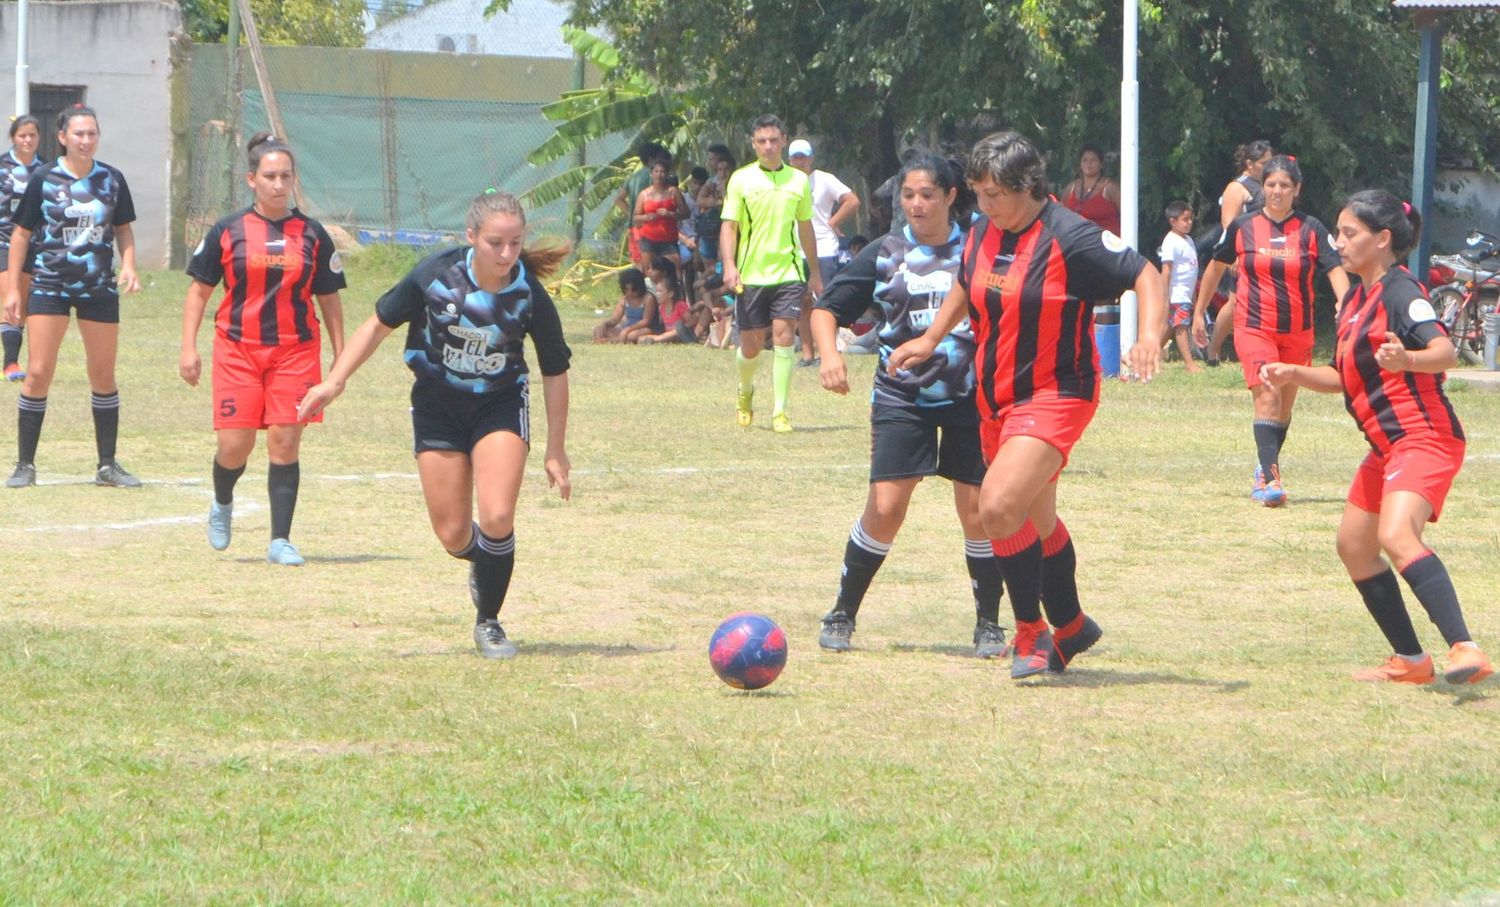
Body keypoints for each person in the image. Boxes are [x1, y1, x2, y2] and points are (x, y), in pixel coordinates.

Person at [888, 131, 1165, 679]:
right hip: (997, 398)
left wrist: (1151, 335)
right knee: (1034, 522)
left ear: (1029, 187)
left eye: (993, 195)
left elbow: (1146, 274)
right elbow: (967, 282)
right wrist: (931, 338)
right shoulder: (984, 231)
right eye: (979, 194)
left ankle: (1030, 630)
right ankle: (1072, 626)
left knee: (995, 507)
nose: (983, 205)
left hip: (1057, 394)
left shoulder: (1072, 236)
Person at [297, 190, 571, 659]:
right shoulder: (435, 275)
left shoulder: (528, 293)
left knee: (499, 515)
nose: (506, 255)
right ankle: (481, 561)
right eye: (494, 243)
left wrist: (556, 448)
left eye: (514, 243)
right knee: (453, 534)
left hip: (499, 405)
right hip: (437, 405)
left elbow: (555, 370)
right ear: (471, 238)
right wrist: (333, 382)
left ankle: (489, 621)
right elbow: (376, 325)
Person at [1260, 190, 1491, 686]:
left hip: (1424, 436)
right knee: (1354, 546)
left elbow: (1445, 352)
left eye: (1350, 234)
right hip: (1387, 445)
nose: (1338, 242)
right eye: (1338, 233)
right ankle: (1410, 661)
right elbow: (1345, 376)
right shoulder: (1356, 300)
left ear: (1383, 239)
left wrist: (1407, 359)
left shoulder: (1401, 292)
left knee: (1396, 536)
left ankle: (1464, 647)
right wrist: (1293, 373)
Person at [810, 153, 1008, 657]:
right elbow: (826, 309)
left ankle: (989, 624)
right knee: (886, 508)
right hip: (903, 395)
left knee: (978, 511)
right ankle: (842, 612)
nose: (916, 205)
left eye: (927, 195)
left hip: (970, 397)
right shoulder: (885, 252)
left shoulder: (980, 249)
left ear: (950, 197)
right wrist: (830, 354)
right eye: (908, 195)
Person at [179, 132, 347, 565]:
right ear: (251, 179)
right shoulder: (228, 230)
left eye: (285, 176)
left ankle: (280, 540)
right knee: (234, 447)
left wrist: (339, 362)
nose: (278, 184)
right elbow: (199, 292)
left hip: (295, 351)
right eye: (269, 176)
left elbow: (329, 299)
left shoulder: (312, 234)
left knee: (285, 441)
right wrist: (188, 348)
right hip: (238, 349)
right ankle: (221, 502)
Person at [1191, 155, 1349, 507]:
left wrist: (1348, 306)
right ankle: (1271, 478)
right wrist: (1199, 311)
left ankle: (1263, 467)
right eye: (1271, 185)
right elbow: (1216, 268)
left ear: (1297, 190)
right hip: (1254, 326)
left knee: (1282, 409)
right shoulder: (1243, 227)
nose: (1277, 191)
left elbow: (1335, 270)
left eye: (1284, 186)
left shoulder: (1312, 229)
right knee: (1268, 395)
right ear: (1262, 188)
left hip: (1298, 331)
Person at [4, 105, 141, 489]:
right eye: (78, 134)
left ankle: (107, 465)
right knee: (38, 372)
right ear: (62, 137)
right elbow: (21, 236)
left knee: (102, 374)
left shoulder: (111, 179)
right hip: (50, 286)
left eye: (92, 133)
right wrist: (14, 287)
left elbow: (124, 230)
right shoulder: (44, 178)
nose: (85, 140)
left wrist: (128, 265)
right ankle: (25, 465)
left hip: (98, 288)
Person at [720, 114, 823, 433]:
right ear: (753, 144)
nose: (768, 146)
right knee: (750, 345)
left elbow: (806, 228)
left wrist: (814, 271)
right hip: (751, 275)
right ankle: (745, 391)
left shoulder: (797, 181)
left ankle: (780, 411)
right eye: (761, 141)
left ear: (784, 140)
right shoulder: (740, 179)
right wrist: (729, 265)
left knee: (783, 336)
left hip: (788, 274)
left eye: (773, 140)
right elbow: (730, 226)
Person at [789, 139, 860, 367]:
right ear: (789, 160)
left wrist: (832, 222)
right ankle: (808, 355)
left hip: (824, 248)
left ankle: (828, 352)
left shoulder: (823, 179)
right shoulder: (785, 182)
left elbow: (851, 200)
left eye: (803, 157)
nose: (799, 161)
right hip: (796, 250)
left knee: (825, 301)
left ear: (811, 158)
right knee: (802, 303)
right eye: (795, 157)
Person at [1203, 140, 1274, 366]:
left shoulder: (1270, 184)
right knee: (1235, 303)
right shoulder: (1238, 187)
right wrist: (1233, 254)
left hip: (1268, 251)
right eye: (1265, 163)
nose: (1270, 166)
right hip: (1243, 252)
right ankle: (1213, 350)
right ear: (1250, 164)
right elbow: (1228, 225)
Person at [1, 115, 43, 383]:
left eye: (31, 135)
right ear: (13, 138)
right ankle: (11, 363)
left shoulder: (45, 170)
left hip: (34, 244)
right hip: (4, 240)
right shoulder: (3, 167)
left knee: (23, 303)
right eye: (22, 135)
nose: (27, 140)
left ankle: (17, 358)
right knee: (10, 296)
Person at [1157, 200, 1202, 372]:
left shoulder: (1188, 240)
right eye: (1185, 219)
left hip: (1186, 292)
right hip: (1176, 293)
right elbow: (1166, 270)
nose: (1189, 223)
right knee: (1181, 326)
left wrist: (1194, 295)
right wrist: (1164, 294)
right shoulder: (1171, 242)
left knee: (1170, 327)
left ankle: (1150, 355)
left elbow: (1192, 269)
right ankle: (1189, 363)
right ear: (1172, 221)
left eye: (1191, 219)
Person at [615, 142, 668, 266]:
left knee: (639, 263)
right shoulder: (654, 178)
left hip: (634, 227)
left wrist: (632, 215)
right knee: (654, 265)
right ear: (651, 159)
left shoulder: (633, 177)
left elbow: (618, 199)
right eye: (658, 158)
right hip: (651, 227)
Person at [632, 159, 687, 268]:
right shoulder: (644, 194)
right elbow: (635, 218)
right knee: (649, 271)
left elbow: (685, 213)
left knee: (675, 271)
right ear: (651, 174)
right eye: (656, 171)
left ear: (666, 174)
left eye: (662, 172)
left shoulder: (673, 192)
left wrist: (669, 214)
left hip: (669, 240)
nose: (659, 175)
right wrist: (647, 217)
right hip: (649, 240)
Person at [1060, 144, 1121, 235]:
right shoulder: (1070, 189)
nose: (1089, 163)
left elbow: (1127, 216)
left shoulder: (1110, 187)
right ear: (1080, 164)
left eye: (1093, 160)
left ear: (1101, 164)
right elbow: (1061, 218)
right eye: (1085, 160)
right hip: (1077, 244)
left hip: (1105, 244)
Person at [694, 145, 733, 274]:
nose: (722, 173)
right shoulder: (711, 182)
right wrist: (719, 202)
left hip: (729, 227)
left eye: (711, 159)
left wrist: (723, 191)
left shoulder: (737, 182)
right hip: (711, 228)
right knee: (709, 263)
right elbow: (700, 200)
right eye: (719, 169)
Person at [593, 267, 655, 344]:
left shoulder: (648, 298)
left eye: (633, 290)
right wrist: (605, 324)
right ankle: (621, 340)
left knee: (633, 335)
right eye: (626, 290)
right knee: (598, 330)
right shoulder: (624, 300)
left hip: (641, 329)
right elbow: (615, 319)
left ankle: (610, 340)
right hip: (624, 330)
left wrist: (627, 330)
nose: (630, 293)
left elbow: (646, 321)